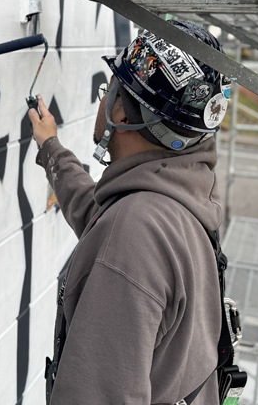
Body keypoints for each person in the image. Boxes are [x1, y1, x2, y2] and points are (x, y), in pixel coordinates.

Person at [29, 20, 231, 404]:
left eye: (109, 90)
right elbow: (95, 214)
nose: (102, 100)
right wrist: (51, 148)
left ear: (122, 114)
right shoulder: (180, 195)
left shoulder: (134, 235)